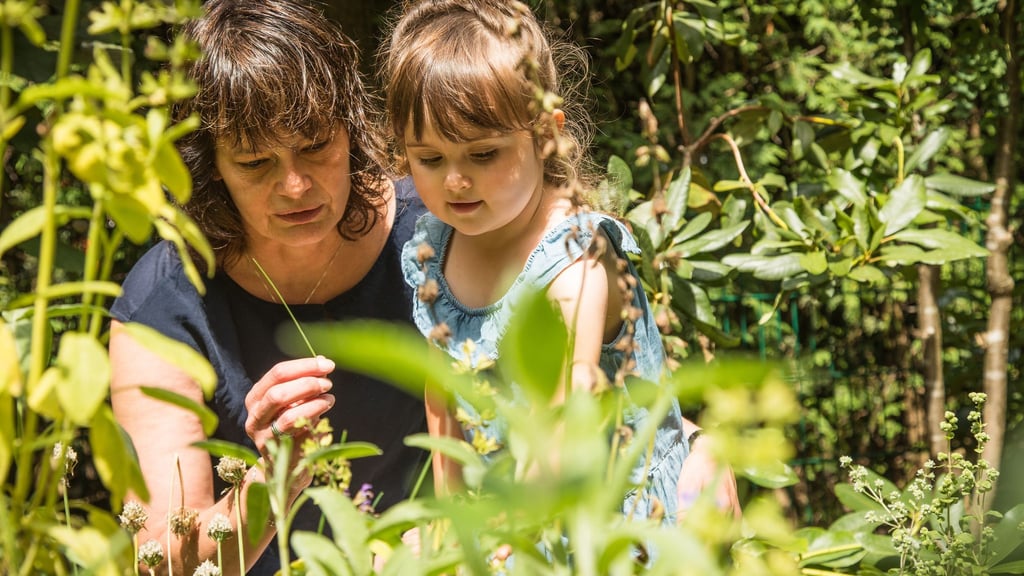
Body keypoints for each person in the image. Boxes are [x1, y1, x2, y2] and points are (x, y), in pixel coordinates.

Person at [108, 0, 428, 574]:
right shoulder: (161, 307)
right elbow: (160, 562)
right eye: (256, 162)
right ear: (211, 166)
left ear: (351, 128)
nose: (295, 185)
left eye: (315, 146)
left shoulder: (435, 236)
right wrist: (274, 476)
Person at [383, 0, 722, 528]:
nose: (454, 181)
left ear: (545, 136)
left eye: (482, 154)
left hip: (618, 521)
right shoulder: (435, 246)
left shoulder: (576, 256)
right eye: (429, 159)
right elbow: (442, 400)